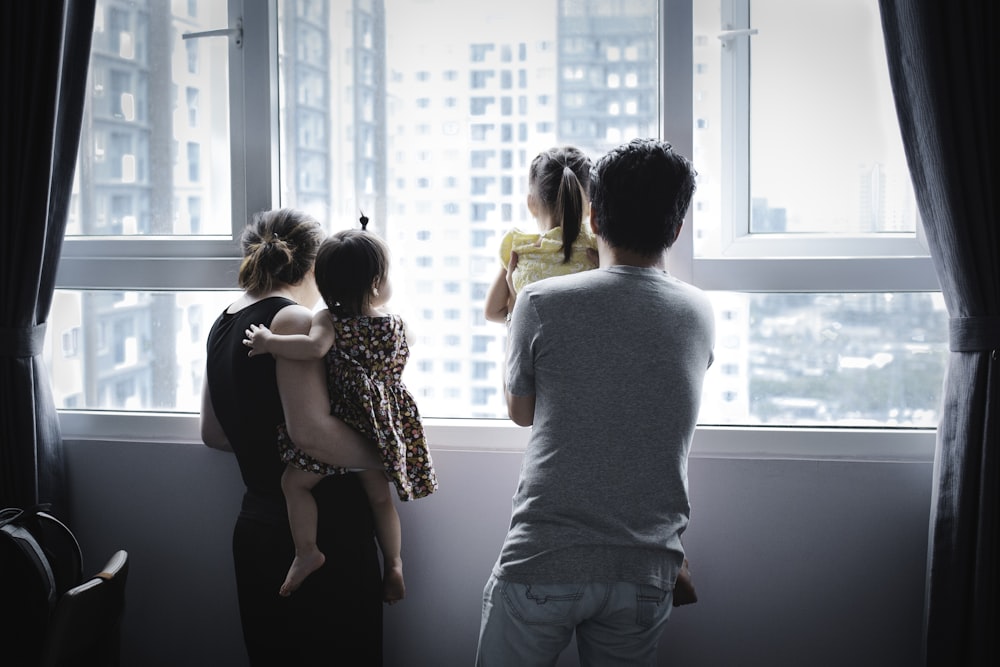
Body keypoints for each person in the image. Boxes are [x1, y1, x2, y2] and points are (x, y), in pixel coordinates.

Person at [475, 138, 715, 666]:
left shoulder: (539, 303)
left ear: (594, 220)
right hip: (647, 570)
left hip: (546, 556)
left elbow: (522, 414)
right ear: (675, 230)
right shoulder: (700, 312)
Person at [200, 208, 384, 665]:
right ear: (315, 263)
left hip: (257, 529)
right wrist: (391, 455)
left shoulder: (223, 320)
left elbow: (214, 434)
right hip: (321, 536)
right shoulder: (294, 321)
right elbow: (312, 435)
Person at [243, 225, 438, 601]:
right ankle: (395, 563)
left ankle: (306, 551)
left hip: (345, 423)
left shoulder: (328, 320)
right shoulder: (395, 323)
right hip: (381, 425)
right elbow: (409, 345)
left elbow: (313, 350)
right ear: (378, 281)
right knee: (380, 499)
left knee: (293, 484)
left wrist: (270, 342)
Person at [483, 145, 598, 325]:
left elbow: (492, 311)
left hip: (534, 350)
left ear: (531, 203)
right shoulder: (597, 248)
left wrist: (516, 304)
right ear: (591, 206)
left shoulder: (520, 250)